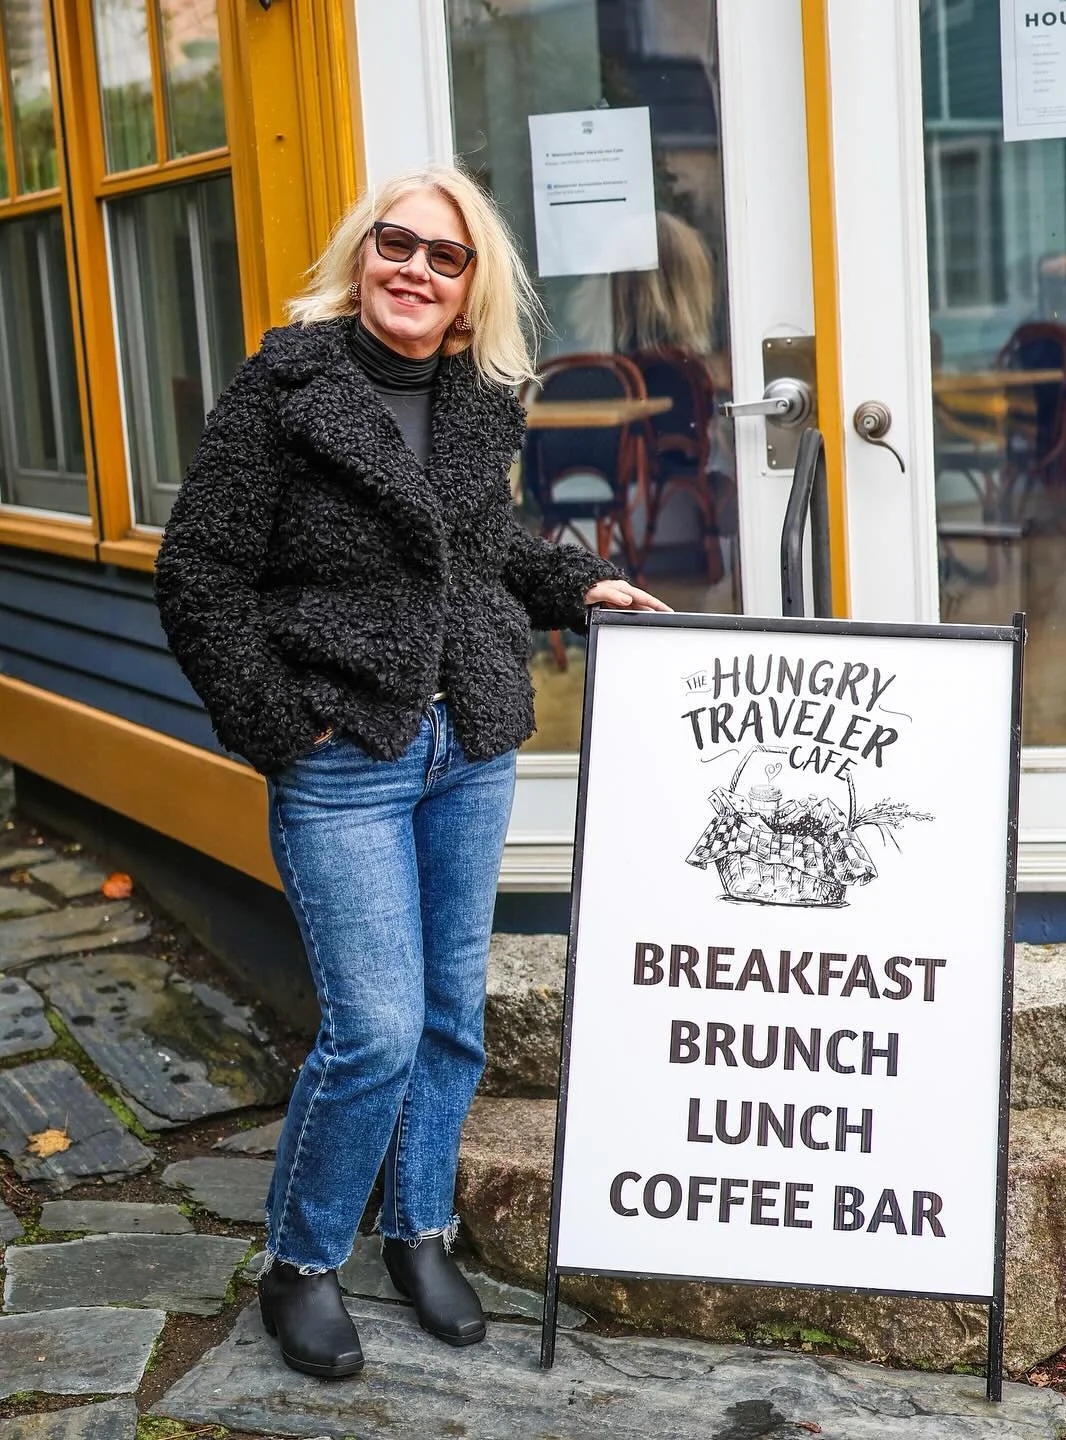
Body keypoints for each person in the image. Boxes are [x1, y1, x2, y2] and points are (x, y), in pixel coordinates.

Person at [154, 164, 668, 1380]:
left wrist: (575, 583)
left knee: (448, 1014)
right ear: (362, 250)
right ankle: (303, 1258)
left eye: (446, 258)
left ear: (470, 284)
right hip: (345, 755)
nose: (416, 272)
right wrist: (281, 727)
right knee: (373, 1028)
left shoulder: (481, 395)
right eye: (398, 245)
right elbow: (199, 574)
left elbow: (477, 549)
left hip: (468, 741)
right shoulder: (284, 390)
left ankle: (420, 1231)